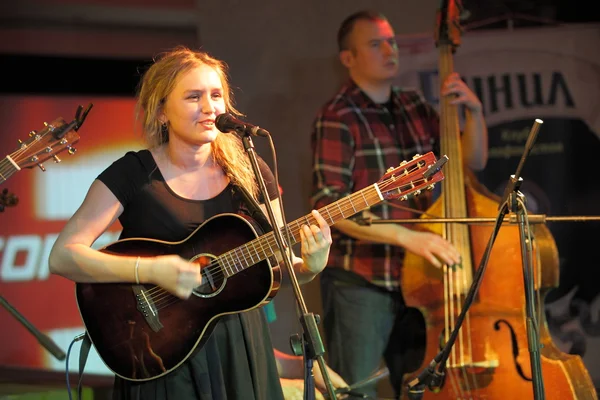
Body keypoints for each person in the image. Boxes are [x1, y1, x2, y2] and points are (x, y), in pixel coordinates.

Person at [49, 45, 333, 400]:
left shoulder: (251, 171)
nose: (209, 107)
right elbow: (62, 256)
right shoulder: (133, 173)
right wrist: (152, 271)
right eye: (193, 97)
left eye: (216, 95)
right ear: (162, 112)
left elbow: (274, 273)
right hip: (161, 348)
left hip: (240, 348)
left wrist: (310, 265)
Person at [309, 10, 488, 399]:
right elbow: (329, 204)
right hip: (362, 280)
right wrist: (409, 238)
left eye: (392, 41)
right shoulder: (337, 116)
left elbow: (470, 162)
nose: (390, 50)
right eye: (376, 43)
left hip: (417, 280)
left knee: (420, 385)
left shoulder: (414, 106)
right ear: (348, 58)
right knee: (358, 390)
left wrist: (472, 111)